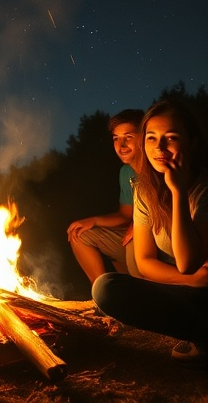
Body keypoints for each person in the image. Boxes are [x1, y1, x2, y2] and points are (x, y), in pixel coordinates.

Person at [92, 100, 208, 366]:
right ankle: (205, 335)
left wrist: (179, 192)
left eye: (170, 138)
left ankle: (207, 337)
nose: (159, 148)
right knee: (106, 287)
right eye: (151, 138)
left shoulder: (207, 188)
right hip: (190, 287)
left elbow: (188, 262)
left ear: (192, 143)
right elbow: (146, 262)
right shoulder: (145, 190)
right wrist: (192, 281)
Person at [67, 109, 144, 284]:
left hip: (154, 237)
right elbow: (125, 215)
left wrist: (138, 225)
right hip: (134, 234)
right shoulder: (126, 172)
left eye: (128, 137)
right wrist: (93, 221)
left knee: (135, 245)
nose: (121, 145)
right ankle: (104, 294)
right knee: (79, 234)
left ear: (144, 136)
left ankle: (142, 294)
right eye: (116, 138)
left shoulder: (157, 166)